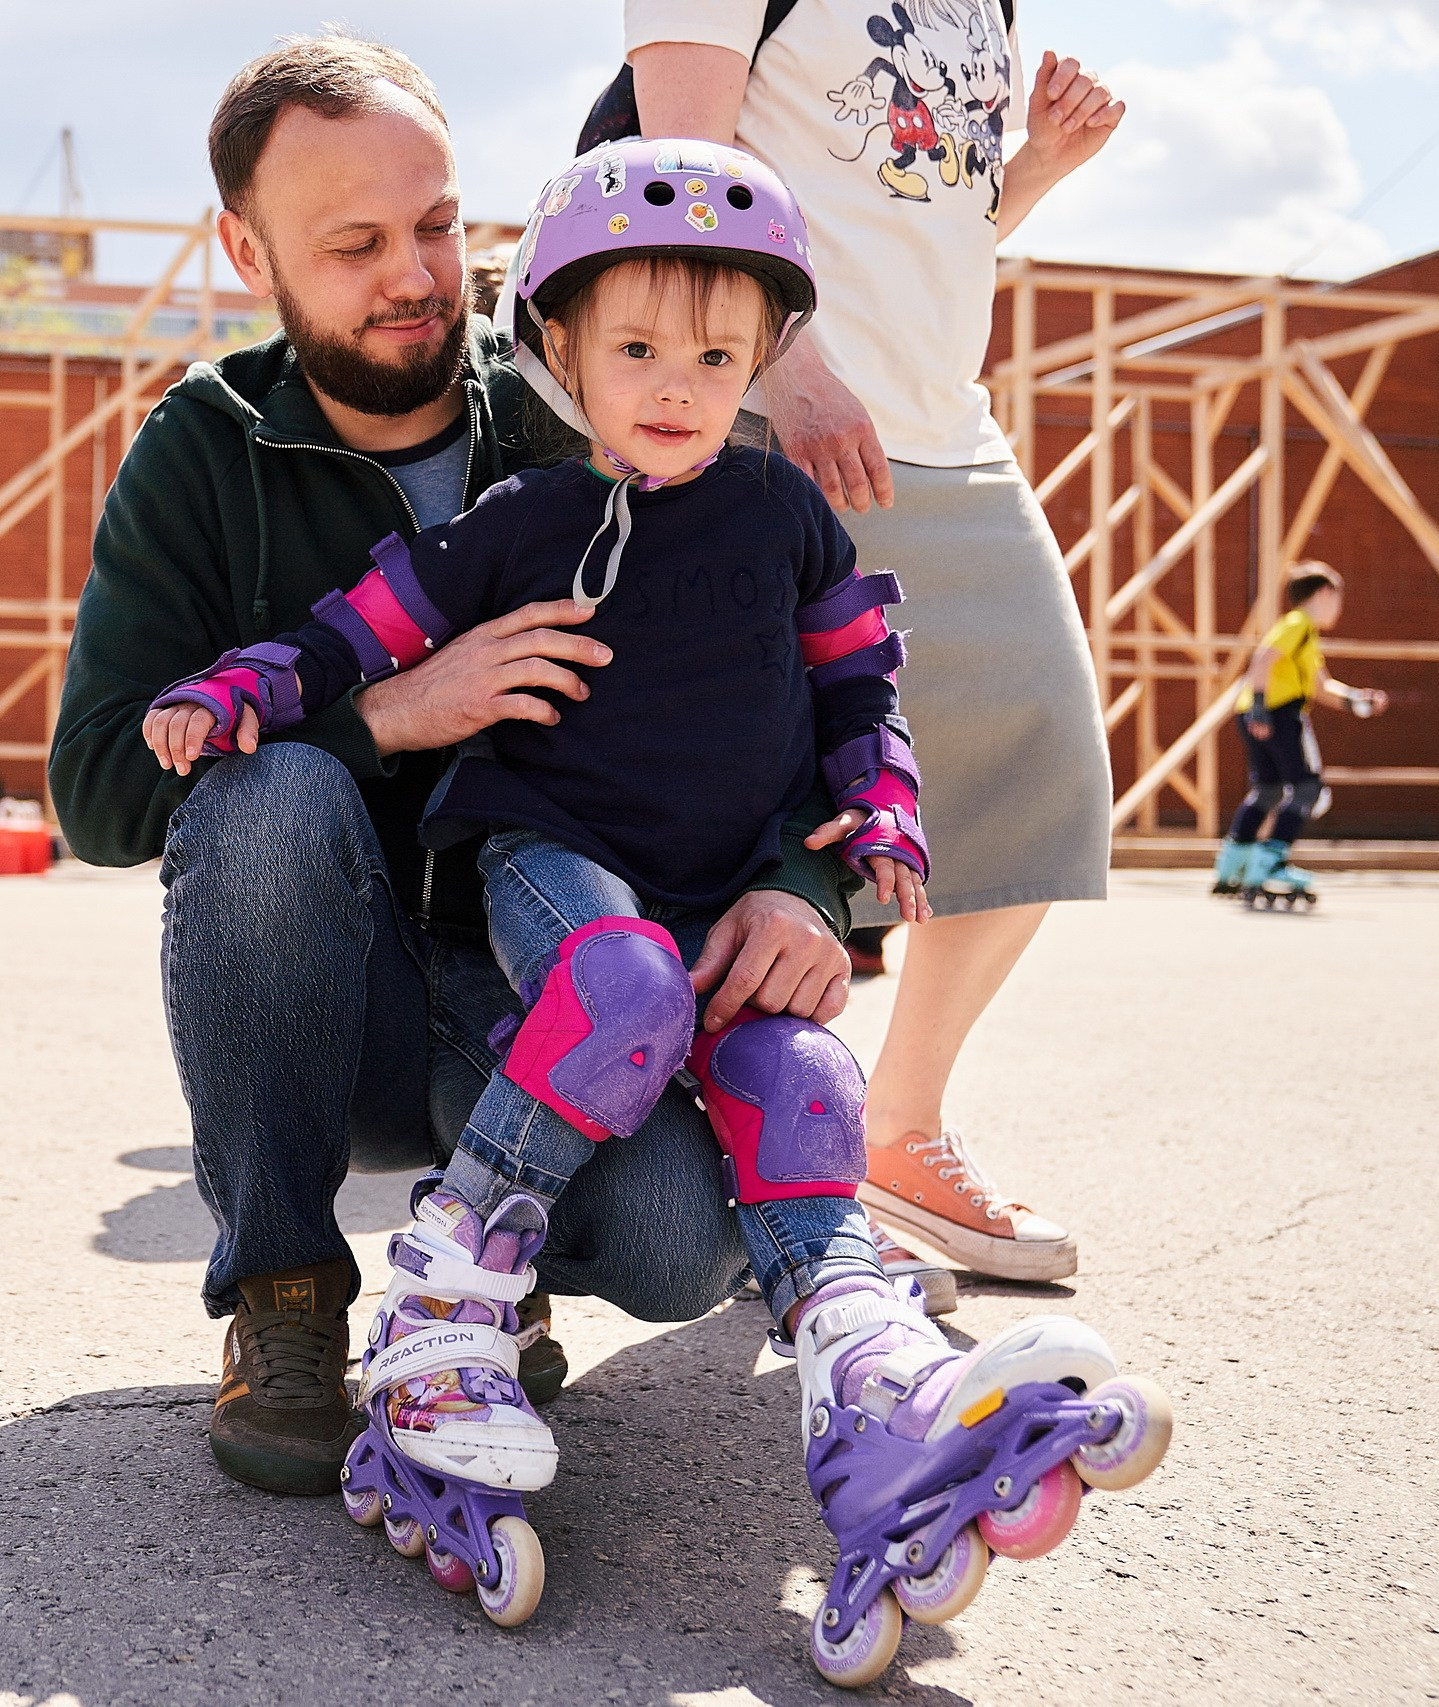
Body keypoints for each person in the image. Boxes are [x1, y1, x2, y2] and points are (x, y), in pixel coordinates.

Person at [143, 138, 1170, 1665]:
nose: (676, 382)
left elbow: (860, 700)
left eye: (716, 351)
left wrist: (875, 827)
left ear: (767, 356)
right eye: (634, 348)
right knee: (617, 992)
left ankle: (866, 1378)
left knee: (800, 1071)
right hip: (553, 861)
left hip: (723, 891)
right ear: (559, 348)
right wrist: (252, 685)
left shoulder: (788, 520)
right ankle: (444, 1299)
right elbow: (362, 625)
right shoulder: (525, 522)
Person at [53, 35, 959, 1510]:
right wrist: (388, 716)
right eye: (355, 244)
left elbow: (783, 690)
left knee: (680, 1246)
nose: (417, 273)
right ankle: (285, 1292)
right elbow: (96, 788)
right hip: (324, 998)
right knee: (275, 791)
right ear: (246, 246)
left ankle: (495, 1270)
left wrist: (805, 889)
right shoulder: (204, 448)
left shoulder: (600, 387)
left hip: (573, 987)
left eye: (437, 225)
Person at [627, 0, 1124, 1287]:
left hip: (946, 429)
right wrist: (782, 371)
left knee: (1044, 758)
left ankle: (892, 1127)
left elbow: (922, 229)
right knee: (749, 821)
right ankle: (770, 1168)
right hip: (771, 415)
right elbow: (685, 181)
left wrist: (1030, 177)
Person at [1209, 562, 1387, 906]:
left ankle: (1233, 867)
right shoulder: (1298, 624)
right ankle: (1271, 863)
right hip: (1277, 713)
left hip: (1254, 713)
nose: (1339, 608)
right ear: (1324, 594)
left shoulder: (1304, 634)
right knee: (1307, 788)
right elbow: (1262, 659)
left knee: (1269, 790)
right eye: (1338, 599)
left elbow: (1322, 688)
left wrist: (1358, 702)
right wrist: (1262, 706)